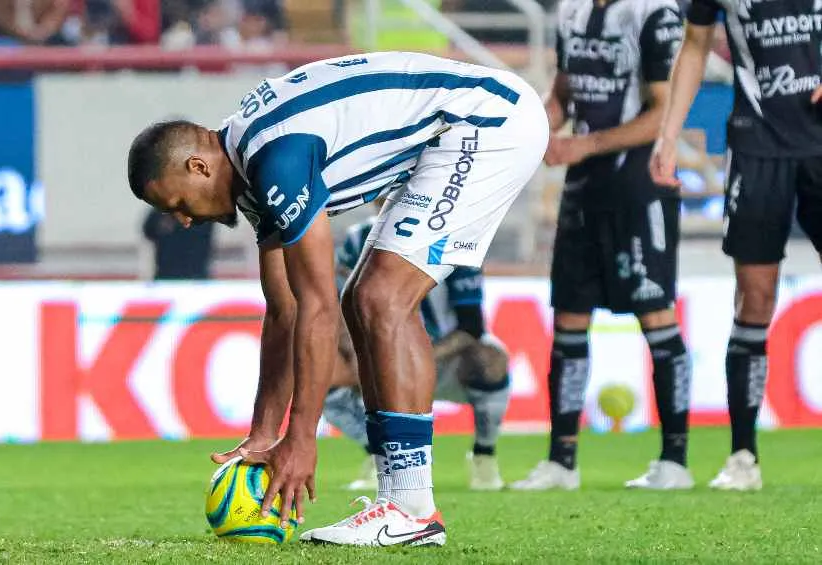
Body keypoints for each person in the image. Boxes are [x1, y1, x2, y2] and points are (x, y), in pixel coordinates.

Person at [126, 51, 547, 546]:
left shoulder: (275, 158)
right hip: (456, 128)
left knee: (380, 298)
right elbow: (284, 311)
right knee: (365, 299)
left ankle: (411, 509)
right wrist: (264, 433)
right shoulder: (250, 167)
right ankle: (404, 507)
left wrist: (302, 440)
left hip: (488, 121)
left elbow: (314, 307)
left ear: (198, 166)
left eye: (178, 203)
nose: (184, 220)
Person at [510, 0, 693, 491]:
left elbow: (663, 114)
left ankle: (675, 459)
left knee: (656, 314)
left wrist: (583, 146)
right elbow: (563, 97)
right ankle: (560, 462)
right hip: (582, 188)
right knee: (569, 316)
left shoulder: (655, 14)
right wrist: (528, 132)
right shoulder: (570, 11)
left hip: (639, 185)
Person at [650, 0, 822, 491]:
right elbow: (696, 45)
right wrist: (668, 135)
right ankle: (743, 455)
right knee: (754, 298)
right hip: (758, 143)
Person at [324, 211, 511, 492]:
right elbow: (336, 304)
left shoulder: (455, 238)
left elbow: (471, 326)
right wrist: (355, 353)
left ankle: (484, 455)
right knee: (320, 368)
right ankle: (379, 455)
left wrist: (412, 359)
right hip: (378, 357)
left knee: (491, 359)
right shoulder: (357, 240)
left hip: (443, 360)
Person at [141, 208, 214, 280]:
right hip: (166, 273)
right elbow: (148, 230)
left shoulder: (203, 208)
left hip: (196, 274)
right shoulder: (161, 208)